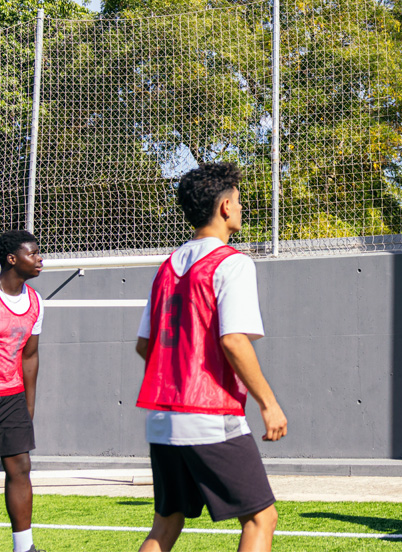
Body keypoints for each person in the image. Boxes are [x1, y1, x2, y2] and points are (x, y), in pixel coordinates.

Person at [134, 162, 288, 552]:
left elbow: (144, 346)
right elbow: (234, 341)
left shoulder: (166, 267)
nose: (240, 207)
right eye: (237, 200)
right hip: (209, 416)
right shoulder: (232, 263)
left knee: (165, 525)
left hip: (162, 418)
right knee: (261, 517)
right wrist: (269, 404)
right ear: (223, 208)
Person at [0, 230, 43, 552]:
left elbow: (29, 355)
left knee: (20, 467)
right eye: (33, 253)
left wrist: (27, 407)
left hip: (11, 397)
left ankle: (23, 547)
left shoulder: (35, 301)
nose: (40, 259)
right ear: (12, 259)